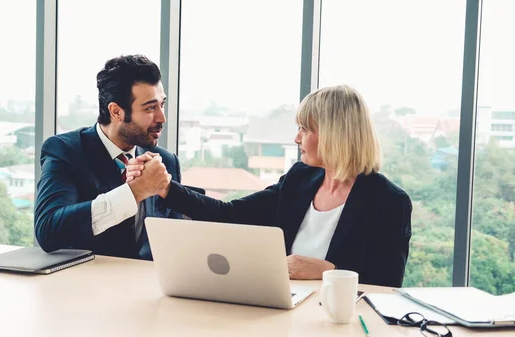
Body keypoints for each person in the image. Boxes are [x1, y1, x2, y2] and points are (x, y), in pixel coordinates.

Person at [127, 85, 412, 287]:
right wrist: (166, 187)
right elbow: (230, 214)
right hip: (286, 309)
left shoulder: (389, 201)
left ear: (333, 134)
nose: (296, 138)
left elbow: (387, 285)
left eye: (304, 129)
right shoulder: (300, 179)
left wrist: (329, 271)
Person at [34, 54, 182, 260]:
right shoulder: (66, 150)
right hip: (87, 286)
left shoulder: (166, 162)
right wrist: (134, 192)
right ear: (116, 112)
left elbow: (172, 240)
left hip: (153, 286)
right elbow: (48, 229)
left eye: (162, 104)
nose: (161, 118)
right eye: (150, 108)